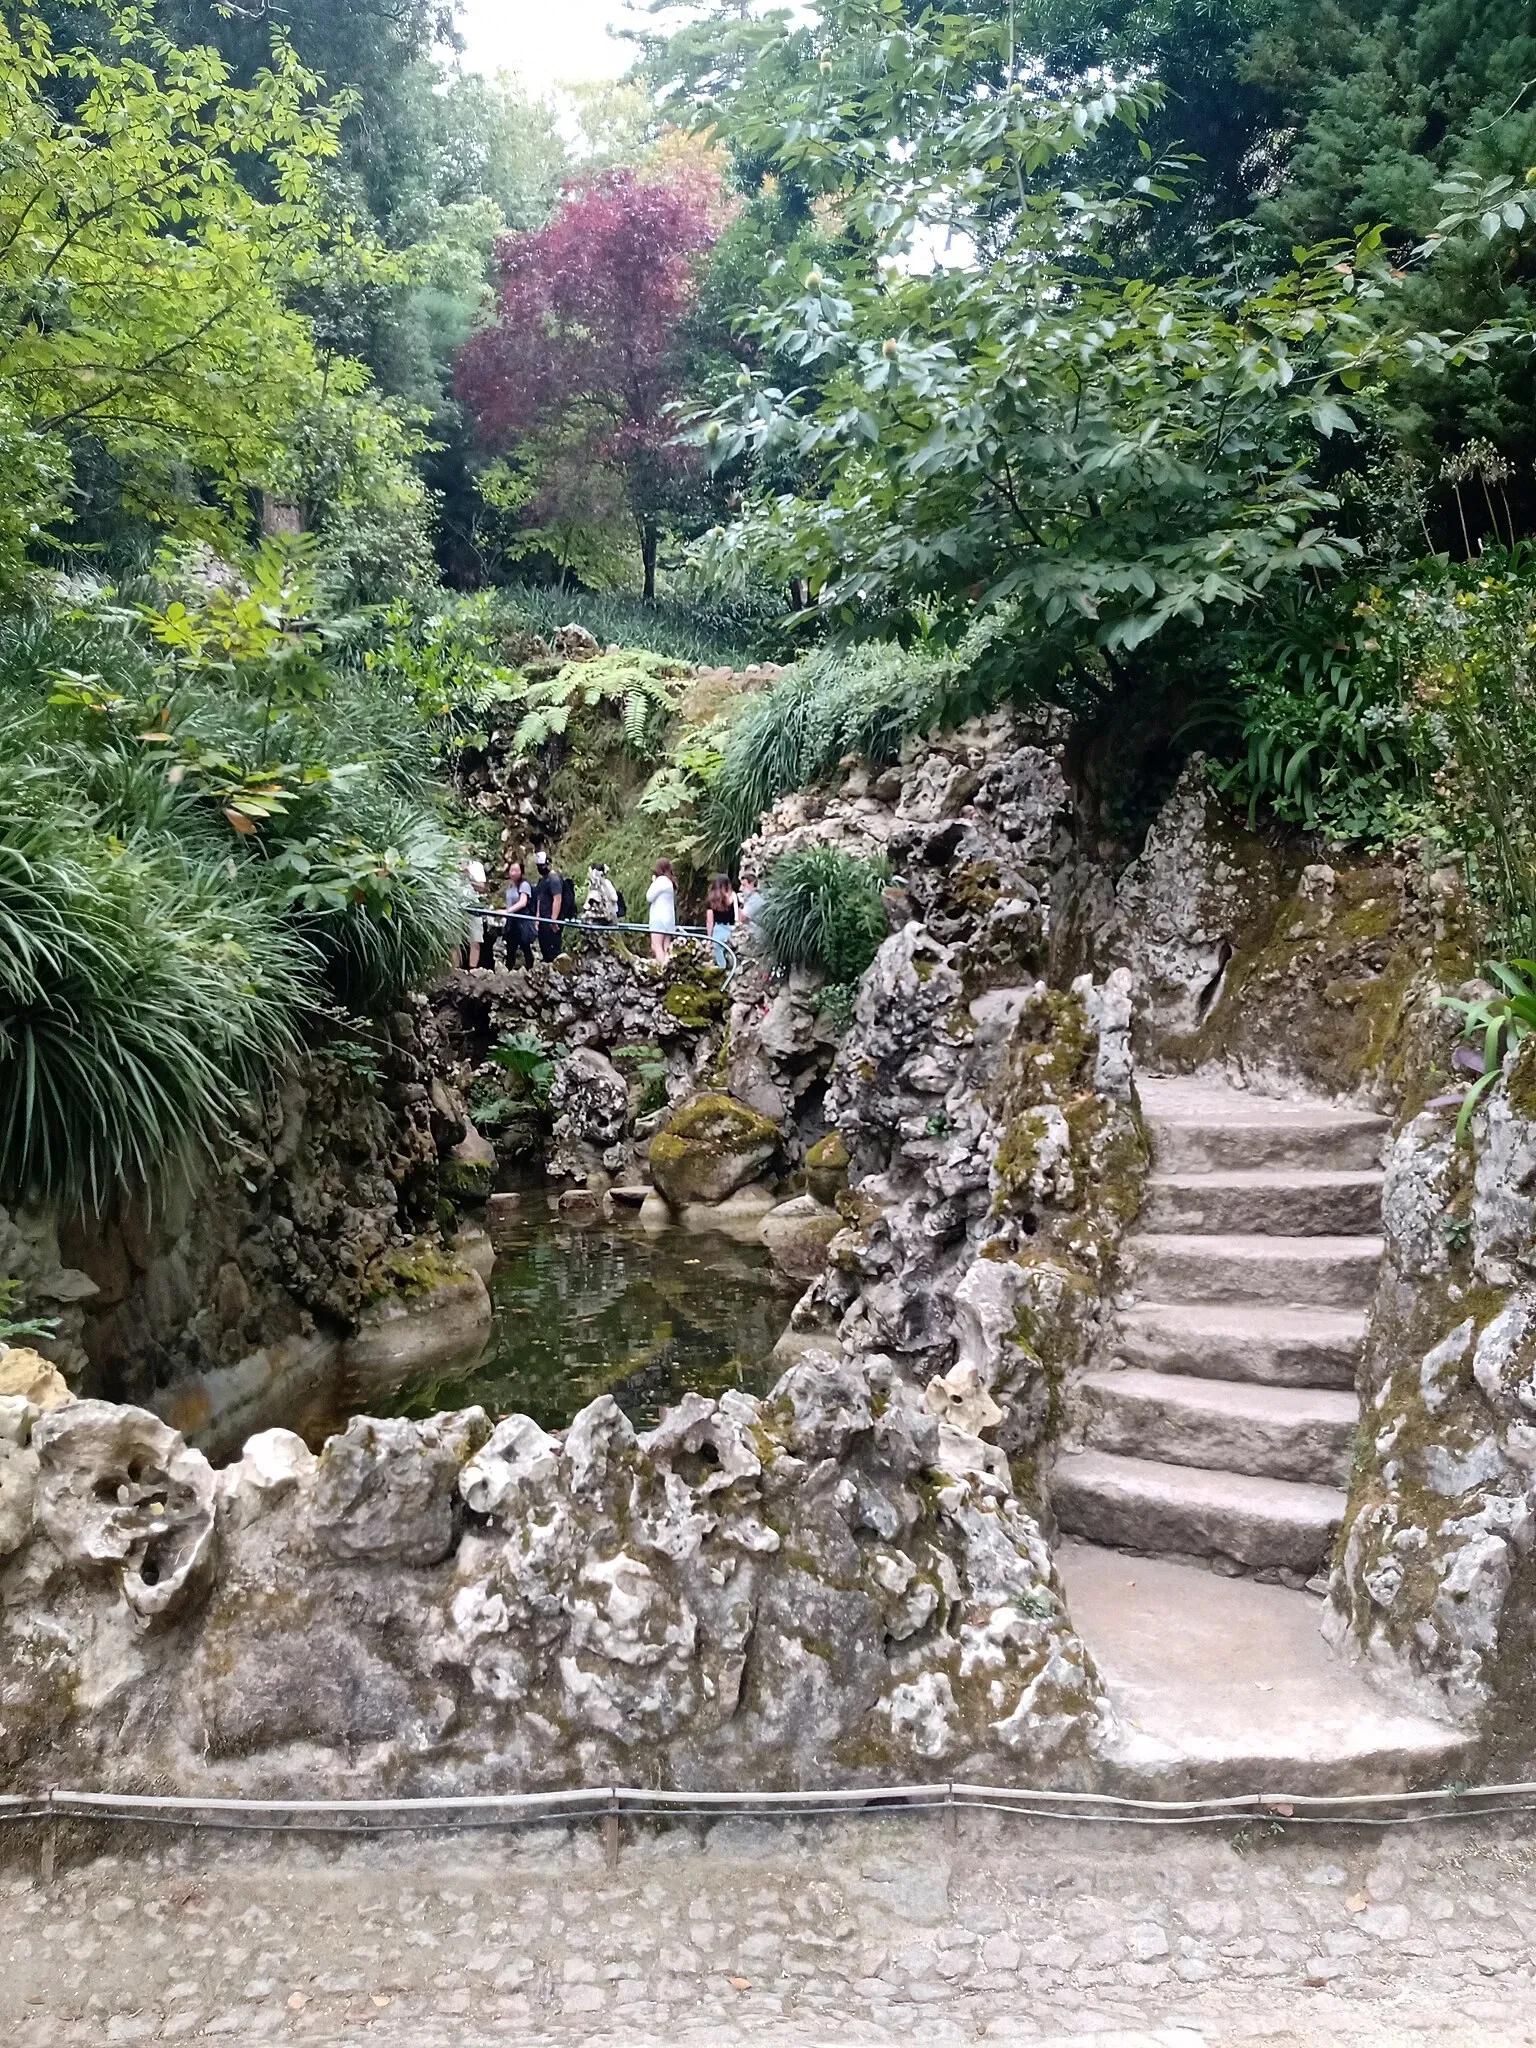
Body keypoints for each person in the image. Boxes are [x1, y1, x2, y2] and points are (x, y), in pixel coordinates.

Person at [532, 849, 567, 962]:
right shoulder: (542, 880)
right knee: (544, 947)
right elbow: (539, 898)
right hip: (543, 919)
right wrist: (537, 917)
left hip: (550, 920)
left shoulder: (554, 879)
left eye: (542, 866)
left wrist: (554, 920)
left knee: (553, 948)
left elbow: (557, 899)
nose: (540, 868)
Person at [455, 857, 487, 971]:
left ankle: (473, 970)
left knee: (475, 939)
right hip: (455, 906)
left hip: (473, 906)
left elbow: (482, 888)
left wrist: (469, 875)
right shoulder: (451, 864)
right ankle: (456, 970)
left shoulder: (477, 866)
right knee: (454, 941)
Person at [503, 861, 534, 970]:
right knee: (510, 947)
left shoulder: (524, 885)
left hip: (522, 921)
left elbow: (522, 902)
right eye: (512, 870)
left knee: (525, 946)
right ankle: (509, 969)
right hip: (512, 921)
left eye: (516, 870)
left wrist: (507, 911)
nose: (513, 873)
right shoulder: (510, 886)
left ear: (521, 872)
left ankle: (530, 969)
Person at [705, 870, 738, 971]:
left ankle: (721, 971)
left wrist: (709, 939)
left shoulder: (712, 899)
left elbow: (710, 921)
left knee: (719, 953)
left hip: (718, 929)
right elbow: (736, 915)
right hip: (731, 929)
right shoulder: (733, 896)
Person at [647, 858, 677, 963]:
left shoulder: (661, 881)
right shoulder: (669, 882)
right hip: (669, 920)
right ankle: (669, 969)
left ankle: (662, 969)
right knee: (666, 947)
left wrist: (654, 882)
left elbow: (649, 897)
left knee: (656, 946)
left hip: (658, 919)